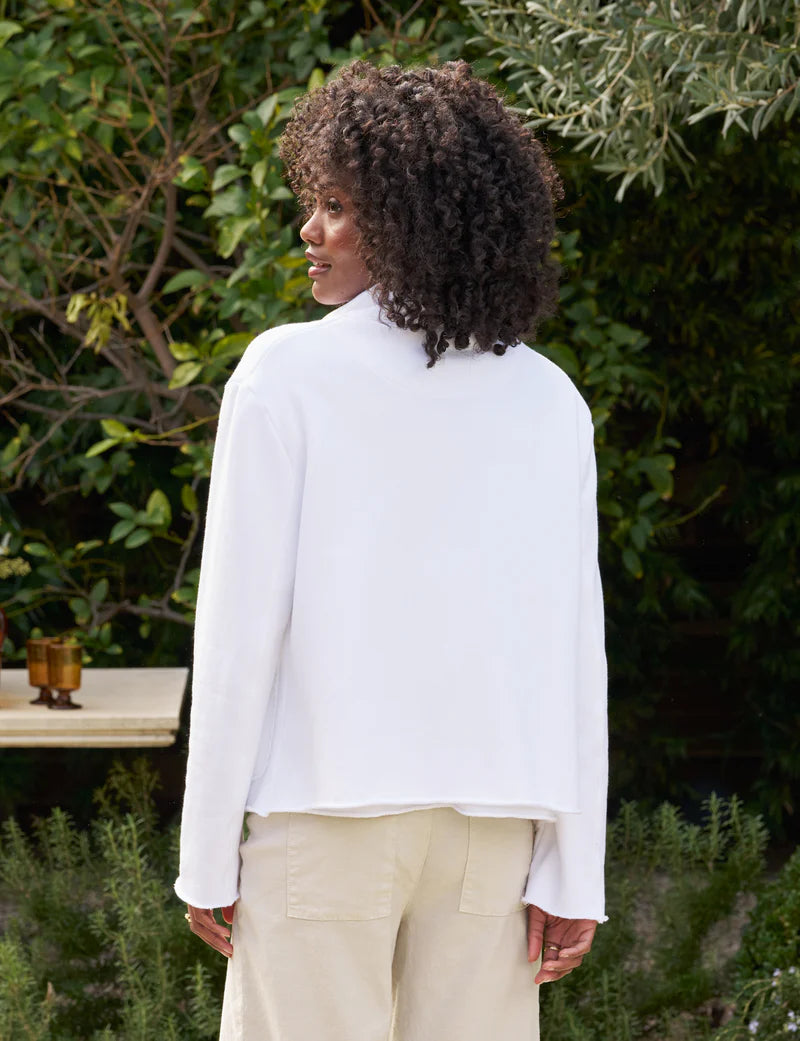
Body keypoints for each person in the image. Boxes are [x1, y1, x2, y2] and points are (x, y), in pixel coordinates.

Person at [176, 59, 608, 1041]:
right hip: (488, 841)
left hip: (323, 828)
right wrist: (572, 869)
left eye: (337, 206)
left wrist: (204, 855)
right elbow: (569, 653)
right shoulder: (546, 398)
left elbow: (240, 634)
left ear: (412, 218)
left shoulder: (286, 375)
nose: (309, 231)